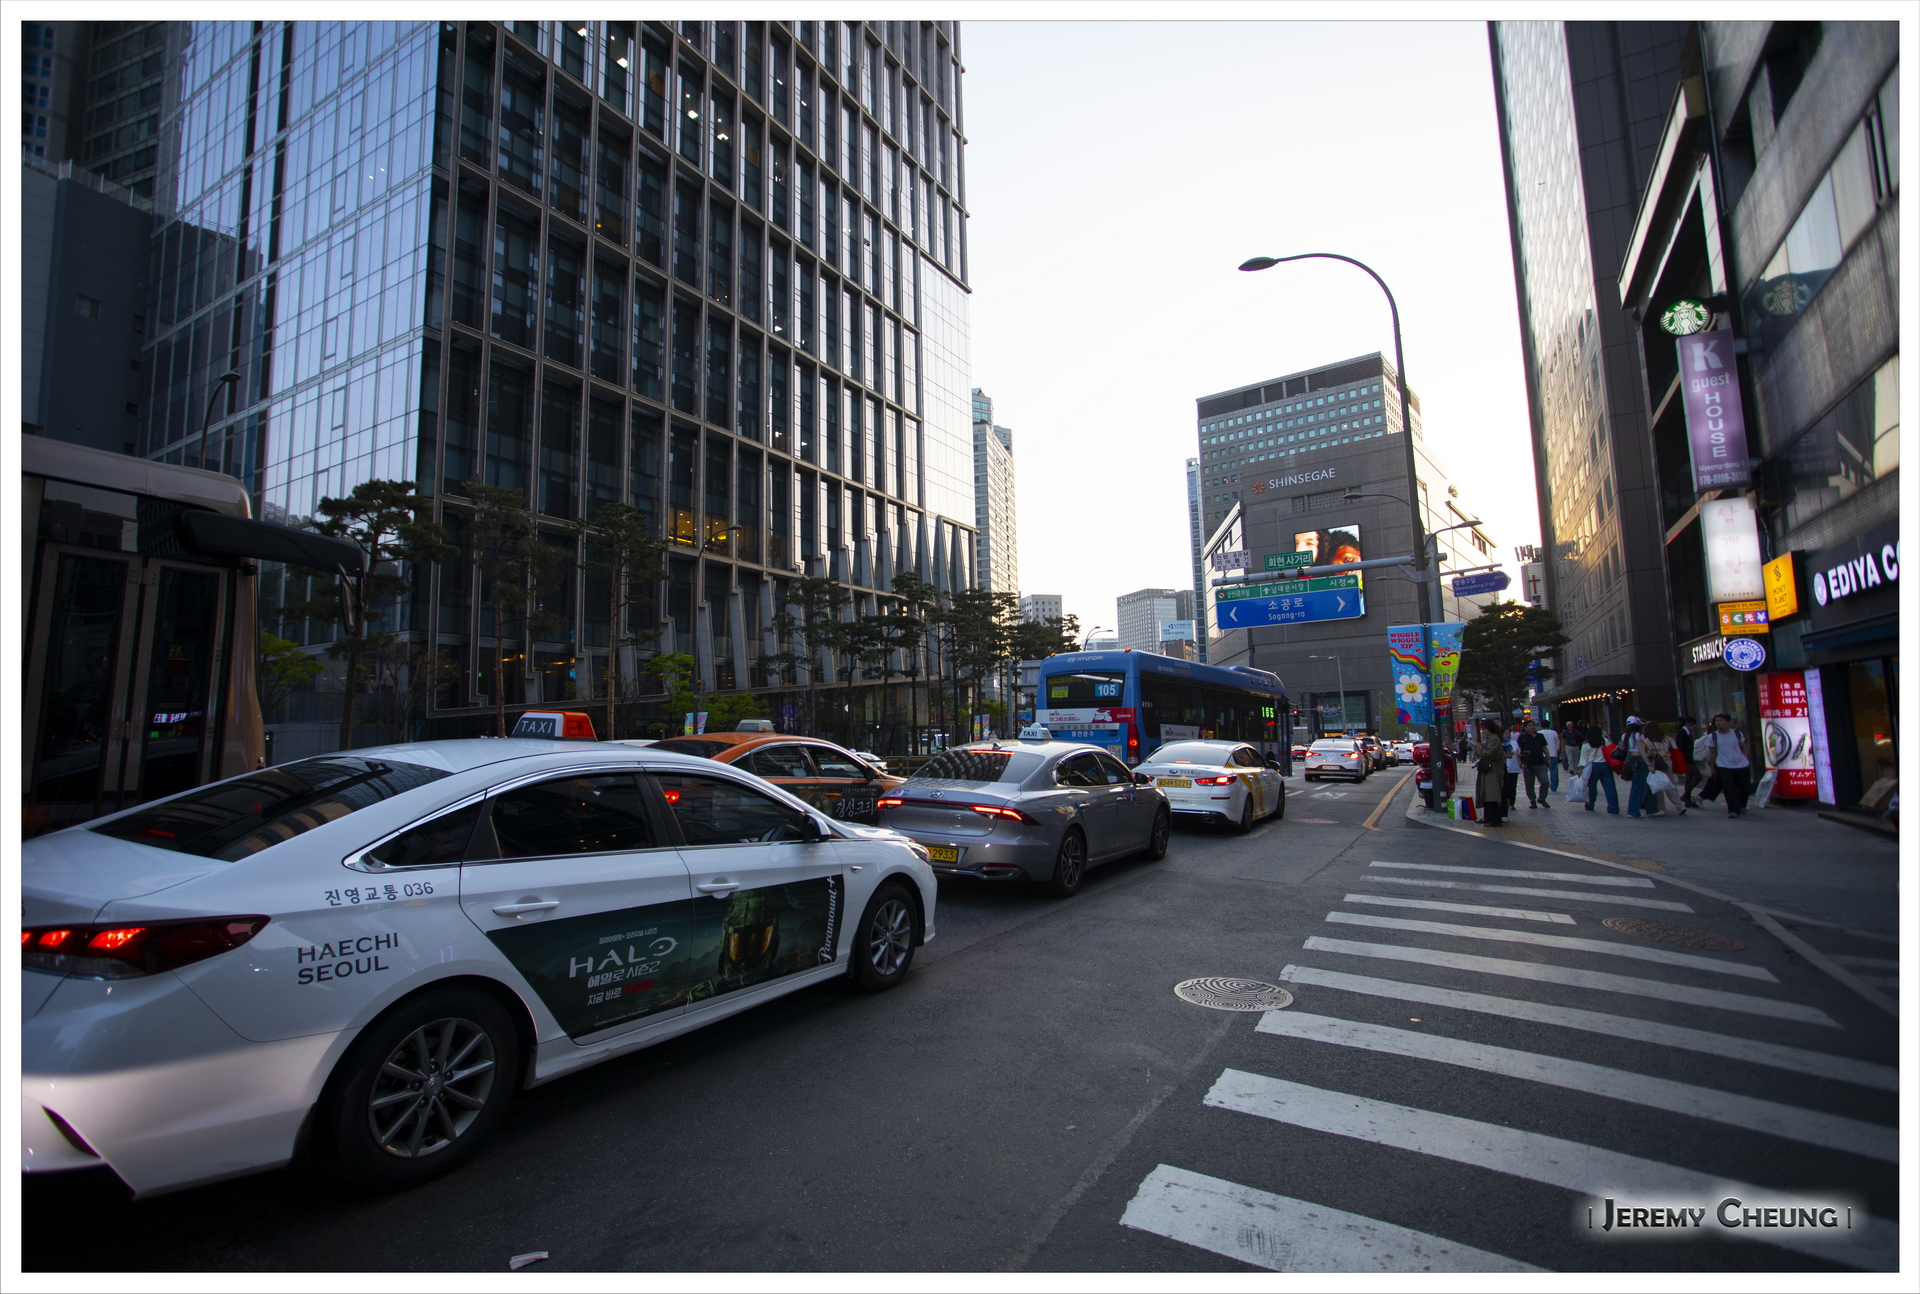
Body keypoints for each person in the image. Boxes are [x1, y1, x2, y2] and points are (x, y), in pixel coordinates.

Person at [1707, 713, 1753, 817]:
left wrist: (1745, 759)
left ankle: (1742, 805)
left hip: (1740, 765)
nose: (1718, 723)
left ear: (1727, 722)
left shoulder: (1737, 734)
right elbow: (1712, 752)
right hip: (1723, 765)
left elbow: (1743, 747)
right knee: (1729, 788)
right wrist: (1713, 767)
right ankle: (1733, 810)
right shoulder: (1713, 736)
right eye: (1717, 721)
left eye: (1721, 720)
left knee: (1744, 788)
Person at [1641, 721, 1684, 816]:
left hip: (1656, 763)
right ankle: (1679, 805)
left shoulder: (1647, 741)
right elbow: (1674, 748)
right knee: (1670, 784)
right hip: (1668, 761)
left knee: (1658, 785)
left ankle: (1661, 808)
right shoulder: (1666, 738)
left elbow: (1647, 753)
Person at [1473, 719, 1508, 826]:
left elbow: (1488, 754)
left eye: (1484, 729)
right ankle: (1487, 817)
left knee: (1492, 794)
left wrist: (1478, 747)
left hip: (1493, 770)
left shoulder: (1495, 740)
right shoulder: (1490, 739)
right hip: (1487, 770)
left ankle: (1494, 819)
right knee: (1486, 793)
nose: (1483, 731)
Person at [1579, 723, 1619, 813]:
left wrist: (1580, 769)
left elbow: (1583, 759)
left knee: (1591, 787)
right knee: (1610, 787)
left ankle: (1590, 804)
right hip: (1606, 765)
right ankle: (1613, 807)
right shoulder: (1606, 741)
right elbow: (1612, 751)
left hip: (1593, 766)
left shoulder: (1586, 744)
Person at [1621, 721, 1653, 817]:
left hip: (1629, 760)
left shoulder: (1625, 735)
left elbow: (1622, 748)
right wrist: (1649, 764)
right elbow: (1642, 751)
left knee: (1636, 786)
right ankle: (1633, 811)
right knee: (1639, 787)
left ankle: (1646, 809)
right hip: (1639, 760)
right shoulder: (1639, 735)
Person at [1518, 719, 1551, 808]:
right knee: (1529, 784)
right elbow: (1520, 750)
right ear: (1525, 728)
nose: (1532, 727)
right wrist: (1520, 760)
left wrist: (1549, 758)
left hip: (1540, 762)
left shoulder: (1540, 736)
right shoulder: (1522, 737)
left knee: (1545, 781)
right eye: (1530, 726)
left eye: (1533, 725)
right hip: (1528, 764)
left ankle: (1542, 798)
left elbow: (1544, 747)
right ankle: (1532, 800)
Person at [1502, 725, 1522, 811]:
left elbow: (1518, 753)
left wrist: (1521, 760)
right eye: (1505, 733)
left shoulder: (1514, 743)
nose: (1507, 735)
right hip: (1505, 767)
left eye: (1508, 733)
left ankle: (1512, 803)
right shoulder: (1501, 743)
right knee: (1505, 786)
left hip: (1514, 767)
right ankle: (1505, 801)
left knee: (1513, 786)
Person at [1539, 720, 1562, 793]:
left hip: (1542, 754)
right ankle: (1554, 787)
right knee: (1554, 771)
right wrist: (1557, 749)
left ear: (1541, 725)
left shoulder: (1539, 733)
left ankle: (1545, 785)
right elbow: (1557, 742)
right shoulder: (1554, 733)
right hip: (1553, 753)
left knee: (1543, 771)